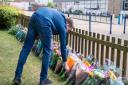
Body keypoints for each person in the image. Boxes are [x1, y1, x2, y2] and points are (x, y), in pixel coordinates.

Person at [13, 7, 74, 85]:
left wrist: (37, 33)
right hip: (45, 21)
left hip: (35, 16)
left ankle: (17, 77)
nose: (67, 31)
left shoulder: (58, 16)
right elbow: (63, 45)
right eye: (68, 29)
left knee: (26, 48)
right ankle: (43, 80)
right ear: (67, 24)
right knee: (47, 51)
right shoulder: (63, 24)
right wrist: (65, 62)